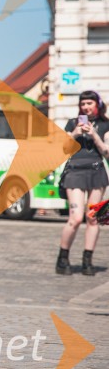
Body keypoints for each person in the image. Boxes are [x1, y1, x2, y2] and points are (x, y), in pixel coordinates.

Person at [56, 90, 109, 276]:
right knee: (76, 217)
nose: (86, 107)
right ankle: (63, 258)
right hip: (75, 172)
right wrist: (75, 133)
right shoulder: (72, 123)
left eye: (90, 103)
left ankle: (88, 260)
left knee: (93, 218)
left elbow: (107, 152)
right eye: (83, 104)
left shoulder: (105, 125)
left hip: (96, 172)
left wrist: (94, 135)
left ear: (98, 105)